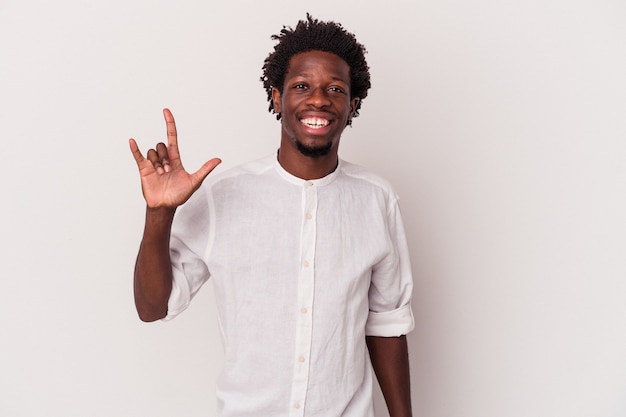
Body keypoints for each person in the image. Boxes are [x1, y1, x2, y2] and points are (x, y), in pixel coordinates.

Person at [129, 14, 414, 417]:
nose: (318, 99)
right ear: (278, 98)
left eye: (334, 89)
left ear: (352, 105)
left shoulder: (376, 199)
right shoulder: (223, 196)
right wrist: (158, 214)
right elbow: (152, 307)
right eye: (301, 86)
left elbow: (386, 322)